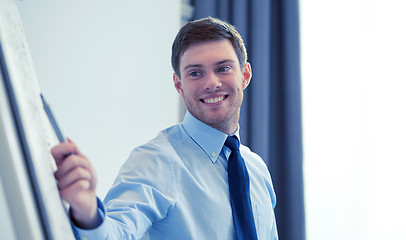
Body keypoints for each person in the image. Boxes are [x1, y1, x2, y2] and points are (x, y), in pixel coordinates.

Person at [51, 17, 278, 239]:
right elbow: (115, 233)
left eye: (223, 68)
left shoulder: (257, 169)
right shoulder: (155, 161)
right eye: (195, 73)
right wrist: (88, 211)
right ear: (179, 85)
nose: (211, 83)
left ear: (245, 75)